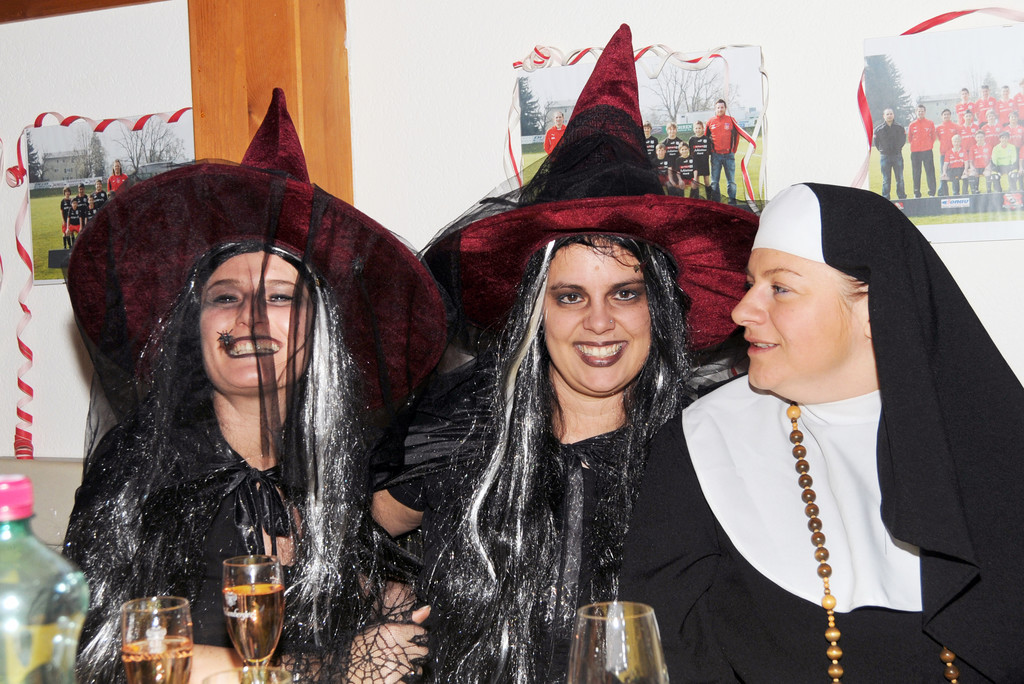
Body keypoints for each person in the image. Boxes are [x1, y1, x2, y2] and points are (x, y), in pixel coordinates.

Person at [372, 25, 757, 684]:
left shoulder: (707, 454)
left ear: (659, 309)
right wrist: (387, 603)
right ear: (536, 311)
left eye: (625, 293)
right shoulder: (462, 434)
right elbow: (361, 533)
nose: (599, 322)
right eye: (571, 296)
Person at [63, 89, 447, 683]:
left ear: (319, 331)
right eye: (225, 297)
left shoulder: (334, 465)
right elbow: (108, 652)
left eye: (280, 296)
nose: (251, 318)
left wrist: (402, 604)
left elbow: (352, 589)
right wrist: (331, 668)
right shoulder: (145, 465)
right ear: (193, 327)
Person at [622, 182, 1024, 682]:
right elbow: (662, 655)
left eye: (780, 288)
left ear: (873, 308)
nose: (742, 311)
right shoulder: (699, 444)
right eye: (751, 284)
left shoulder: (994, 446)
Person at [706, 99, 743, 204]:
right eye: (718, 107)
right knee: (714, 182)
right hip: (715, 156)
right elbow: (706, 138)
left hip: (728, 156)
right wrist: (710, 152)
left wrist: (734, 150)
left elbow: (737, 136)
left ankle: (732, 204)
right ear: (715, 109)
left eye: (722, 107)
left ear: (725, 108)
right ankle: (717, 203)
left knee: (731, 182)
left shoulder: (731, 120)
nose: (720, 109)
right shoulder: (710, 122)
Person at [874, 108, 906, 200]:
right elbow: (876, 143)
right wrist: (883, 150)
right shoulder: (878, 129)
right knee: (886, 180)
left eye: (891, 114)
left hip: (897, 156)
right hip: (885, 157)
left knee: (900, 178)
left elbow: (903, 140)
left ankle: (902, 197)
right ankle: (886, 198)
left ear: (893, 115)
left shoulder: (900, 128)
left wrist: (897, 149)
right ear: (884, 116)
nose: (889, 116)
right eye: (887, 114)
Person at [908, 104, 936, 198]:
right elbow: (910, 138)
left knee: (930, 172)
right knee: (916, 172)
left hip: (927, 151)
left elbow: (933, 137)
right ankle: (916, 193)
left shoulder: (930, 123)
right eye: (919, 111)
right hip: (915, 152)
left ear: (925, 112)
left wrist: (928, 145)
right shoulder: (912, 124)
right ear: (916, 112)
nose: (920, 113)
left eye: (922, 111)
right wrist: (916, 146)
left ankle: (932, 192)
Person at [688, 119, 712, 199]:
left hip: (704, 163)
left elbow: (709, 151)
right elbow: (690, 153)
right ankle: (697, 199)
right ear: (693, 129)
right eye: (696, 128)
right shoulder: (691, 139)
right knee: (696, 181)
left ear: (702, 129)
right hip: (696, 163)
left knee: (707, 181)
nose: (698, 130)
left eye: (699, 128)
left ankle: (709, 198)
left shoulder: (707, 139)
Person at [967, 130, 994, 194]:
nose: (980, 139)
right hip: (976, 167)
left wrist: (988, 167)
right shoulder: (972, 148)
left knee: (988, 173)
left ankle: (989, 191)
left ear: (984, 137)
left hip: (986, 167)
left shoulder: (989, 146)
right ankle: (974, 191)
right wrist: (972, 168)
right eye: (978, 137)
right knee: (971, 174)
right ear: (975, 138)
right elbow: (971, 161)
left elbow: (991, 159)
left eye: (981, 137)